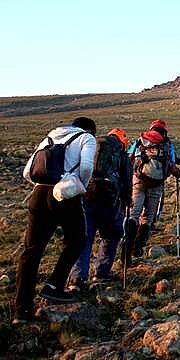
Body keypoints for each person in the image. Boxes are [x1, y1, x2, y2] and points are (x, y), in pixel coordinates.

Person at [14, 117, 97, 323]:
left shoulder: (50, 137)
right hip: (65, 193)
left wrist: (43, 184)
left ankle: (21, 309)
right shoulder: (86, 138)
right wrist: (79, 186)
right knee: (77, 240)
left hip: (39, 193)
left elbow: (27, 172)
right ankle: (54, 285)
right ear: (89, 129)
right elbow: (86, 167)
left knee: (32, 250)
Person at [68, 128, 132, 292]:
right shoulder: (121, 155)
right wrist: (127, 200)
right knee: (111, 235)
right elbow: (126, 180)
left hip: (86, 197)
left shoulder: (90, 148)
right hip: (109, 201)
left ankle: (76, 278)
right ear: (122, 142)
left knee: (84, 237)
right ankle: (101, 274)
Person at [124, 120, 180, 266]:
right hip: (156, 183)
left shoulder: (140, 140)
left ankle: (126, 250)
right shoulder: (167, 144)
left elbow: (129, 157)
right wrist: (175, 173)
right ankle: (138, 245)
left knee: (133, 214)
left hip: (138, 179)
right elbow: (172, 164)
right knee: (149, 217)